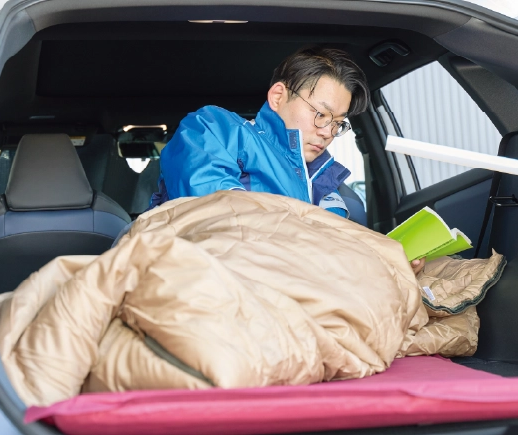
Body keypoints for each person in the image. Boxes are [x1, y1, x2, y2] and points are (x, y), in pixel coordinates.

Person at [146, 47, 425, 273]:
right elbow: (215, 216)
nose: (328, 132)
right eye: (321, 115)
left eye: (338, 124)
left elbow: (340, 265)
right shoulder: (213, 127)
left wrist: (387, 267)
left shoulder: (332, 191)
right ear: (278, 96)